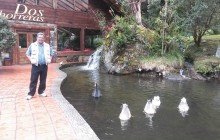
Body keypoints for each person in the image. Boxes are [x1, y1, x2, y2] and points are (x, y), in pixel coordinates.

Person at [26, 32, 53, 100]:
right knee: (33, 80)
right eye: (39, 37)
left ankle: (41, 91)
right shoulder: (32, 45)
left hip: (44, 65)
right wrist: (31, 60)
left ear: (44, 38)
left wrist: (49, 59)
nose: (41, 39)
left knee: (43, 80)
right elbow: (27, 54)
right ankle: (31, 94)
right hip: (35, 66)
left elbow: (51, 53)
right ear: (37, 38)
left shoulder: (47, 45)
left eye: (42, 37)